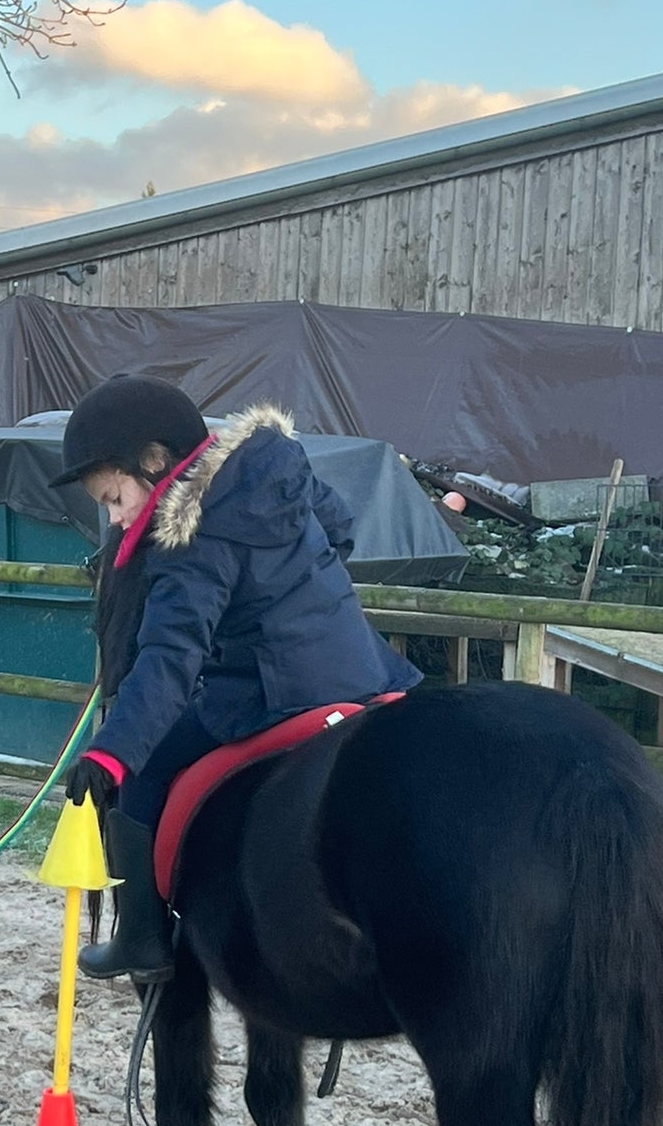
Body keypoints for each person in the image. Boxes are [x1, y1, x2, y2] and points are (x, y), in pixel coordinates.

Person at [53, 375, 421, 983]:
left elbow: (169, 658)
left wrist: (111, 755)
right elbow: (338, 526)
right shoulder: (271, 470)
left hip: (272, 688)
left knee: (144, 777)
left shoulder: (189, 538)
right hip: (358, 667)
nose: (116, 520)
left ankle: (141, 938)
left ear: (155, 462)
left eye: (115, 498)